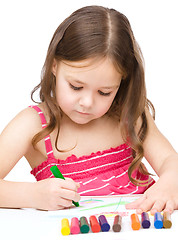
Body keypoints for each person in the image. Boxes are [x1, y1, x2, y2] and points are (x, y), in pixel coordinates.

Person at [0, 5, 178, 213]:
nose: (87, 102)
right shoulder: (32, 124)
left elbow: (169, 159)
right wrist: (32, 195)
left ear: (122, 82)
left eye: (104, 92)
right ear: (54, 66)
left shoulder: (128, 114)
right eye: (76, 86)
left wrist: (169, 183)